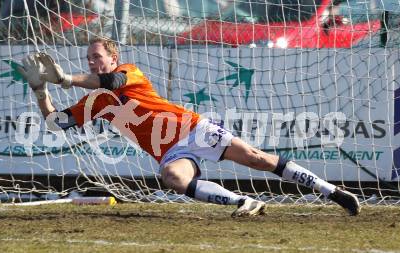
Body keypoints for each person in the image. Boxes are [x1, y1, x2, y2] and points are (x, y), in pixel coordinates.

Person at [18, 37, 361, 216]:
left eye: (97, 56)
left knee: (257, 159)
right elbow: (55, 123)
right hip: (171, 149)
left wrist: (65, 77)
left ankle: (333, 192)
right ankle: (244, 202)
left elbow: (109, 80)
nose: (92, 61)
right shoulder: (95, 103)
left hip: (190, 129)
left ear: (113, 56)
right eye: (88, 56)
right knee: (174, 179)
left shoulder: (129, 72)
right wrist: (40, 90)